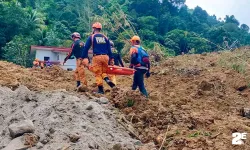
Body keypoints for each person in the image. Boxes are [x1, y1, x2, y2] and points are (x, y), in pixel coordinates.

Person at [82, 22, 115, 94]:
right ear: (100, 29)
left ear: (94, 28)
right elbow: (109, 49)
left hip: (97, 57)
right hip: (106, 57)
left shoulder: (92, 37)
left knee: (97, 73)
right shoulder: (105, 37)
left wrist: (84, 57)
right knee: (103, 71)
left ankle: (100, 90)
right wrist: (111, 59)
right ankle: (107, 80)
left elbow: (86, 48)